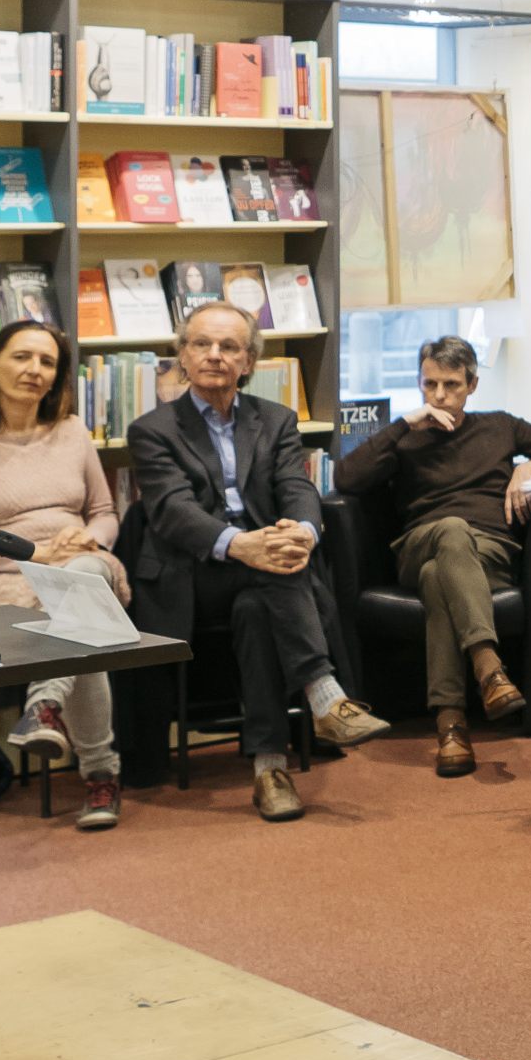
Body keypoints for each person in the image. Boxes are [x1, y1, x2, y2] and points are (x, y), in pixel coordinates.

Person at [125, 299, 380, 824]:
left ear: (248, 362)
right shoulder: (152, 430)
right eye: (202, 344)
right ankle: (324, 693)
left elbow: (297, 486)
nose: (214, 356)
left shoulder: (276, 420)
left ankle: (269, 770)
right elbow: (172, 511)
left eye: (229, 347)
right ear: (182, 355)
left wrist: (304, 533)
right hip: (192, 573)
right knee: (273, 569)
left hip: (262, 574)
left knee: (257, 608)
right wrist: (243, 545)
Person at [333, 332, 531, 779]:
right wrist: (402, 426)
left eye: (451, 385)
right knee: (448, 534)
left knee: (440, 577)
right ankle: (489, 667)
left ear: (471, 385)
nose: (439, 395)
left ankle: (451, 726)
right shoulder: (406, 438)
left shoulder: (500, 426)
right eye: (429, 384)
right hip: (417, 544)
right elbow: (347, 478)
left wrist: (530, 466)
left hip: (490, 551)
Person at [0, 318, 132, 828]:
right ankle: (100, 774)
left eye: (47, 362)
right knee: (82, 621)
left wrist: (91, 540)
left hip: (80, 562)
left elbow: (105, 510)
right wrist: (37, 554)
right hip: (0, 574)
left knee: (83, 579)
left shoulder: (71, 432)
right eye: (23, 357)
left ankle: (44, 705)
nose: (35, 370)